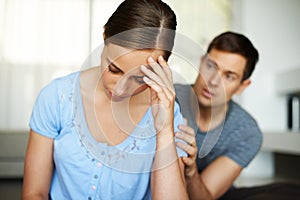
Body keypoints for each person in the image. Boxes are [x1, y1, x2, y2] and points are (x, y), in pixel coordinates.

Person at [22, 0, 189, 199]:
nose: (120, 89)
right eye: (113, 69)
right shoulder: (56, 98)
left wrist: (164, 132)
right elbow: (34, 193)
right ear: (104, 37)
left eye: (139, 78)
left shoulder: (169, 115)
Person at [174, 31, 262, 199]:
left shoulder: (246, 133)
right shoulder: (168, 97)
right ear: (201, 62)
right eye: (211, 66)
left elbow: (205, 196)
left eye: (229, 76)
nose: (213, 81)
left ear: (242, 86)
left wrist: (191, 171)